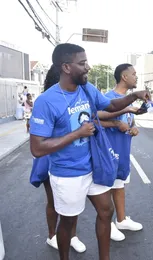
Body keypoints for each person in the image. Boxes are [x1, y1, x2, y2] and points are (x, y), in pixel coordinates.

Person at [29, 43, 150, 260]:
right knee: (67, 221)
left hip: (92, 166)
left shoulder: (86, 89)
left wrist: (134, 96)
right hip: (67, 173)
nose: (88, 67)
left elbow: (110, 106)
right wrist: (77, 133)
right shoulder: (46, 101)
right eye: (83, 63)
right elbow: (37, 148)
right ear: (66, 67)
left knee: (106, 211)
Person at [35, 65, 86, 253]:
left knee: (72, 203)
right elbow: (38, 142)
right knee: (53, 201)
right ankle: (52, 236)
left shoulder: (77, 95)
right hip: (49, 157)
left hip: (72, 157)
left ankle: (72, 236)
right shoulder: (47, 101)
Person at [98, 63, 143, 241]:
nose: (136, 77)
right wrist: (116, 124)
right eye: (134, 74)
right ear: (124, 77)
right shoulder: (108, 98)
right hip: (109, 152)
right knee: (108, 188)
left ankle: (121, 220)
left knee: (119, 185)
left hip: (124, 151)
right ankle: (107, 225)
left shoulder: (130, 100)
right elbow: (96, 120)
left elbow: (129, 120)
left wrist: (134, 128)